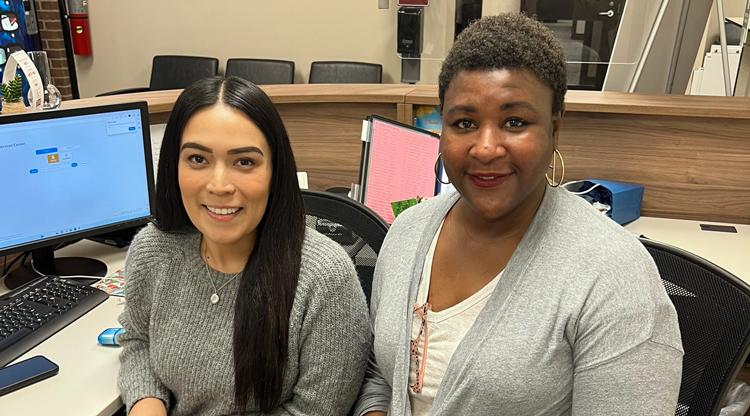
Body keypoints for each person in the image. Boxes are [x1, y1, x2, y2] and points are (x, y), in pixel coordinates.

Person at [354, 13, 683, 416]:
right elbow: (382, 376)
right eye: (464, 122)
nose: (486, 148)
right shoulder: (408, 231)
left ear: (554, 129)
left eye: (514, 122)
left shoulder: (614, 275)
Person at [118, 76, 370, 416]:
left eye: (244, 162)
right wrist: (147, 404)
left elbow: (315, 411)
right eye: (197, 159)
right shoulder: (153, 249)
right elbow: (137, 342)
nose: (219, 185)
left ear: (275, 171)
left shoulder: (324, 279)